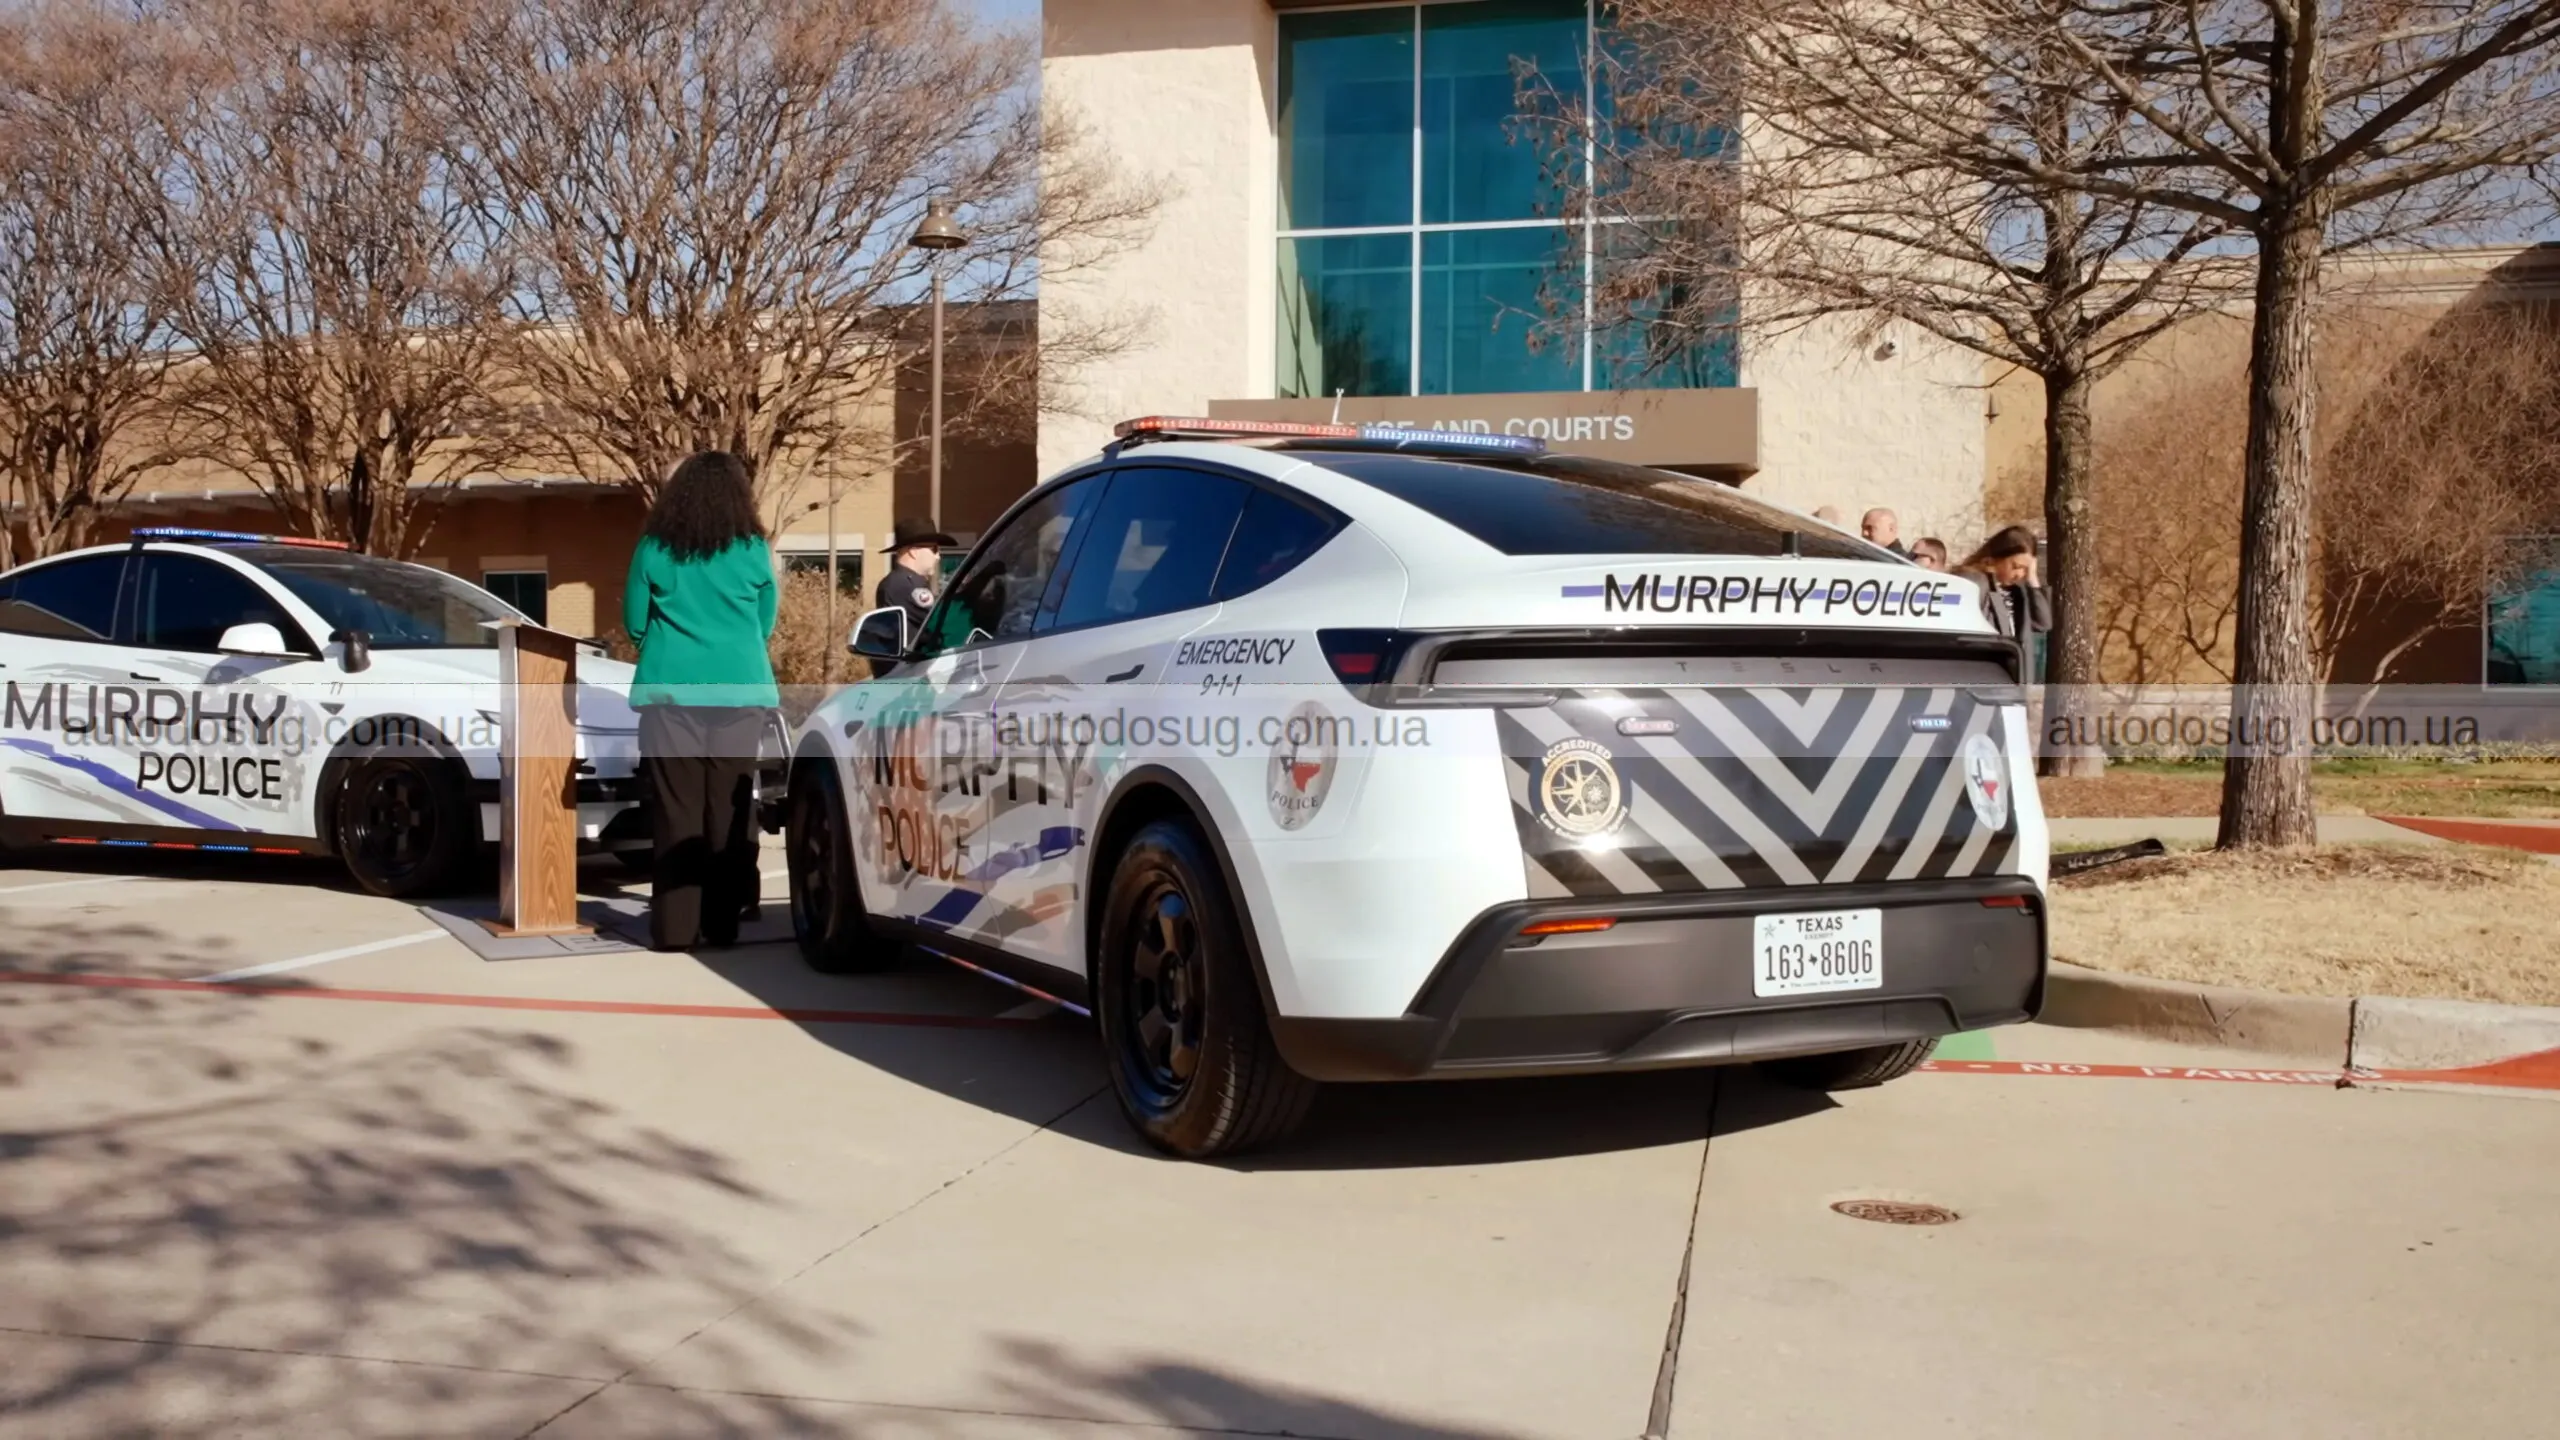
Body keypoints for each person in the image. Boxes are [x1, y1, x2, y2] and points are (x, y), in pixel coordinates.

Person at [624, 451, 780, 952]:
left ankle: (674, 928)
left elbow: (634, 622)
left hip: (671, 691)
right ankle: (722, 925)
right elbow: (766, 622)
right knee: (728, 810)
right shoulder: (754, 548)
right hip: (740, 689)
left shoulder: (654, 547)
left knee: (677, 810)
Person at [1956, 525, 2052, 644]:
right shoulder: (1975, 582)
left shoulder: (2017, 591)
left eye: (2026, 569)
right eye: (2016, 567)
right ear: (1998, 557)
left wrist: (2033, 580)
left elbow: (2043, 624)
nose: (2020, 574)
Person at [874, 516, 955, 641]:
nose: (938, 556)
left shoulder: (905, 582)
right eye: (934, 549)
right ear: (913, 551)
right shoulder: (902, 585)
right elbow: (945, 621)